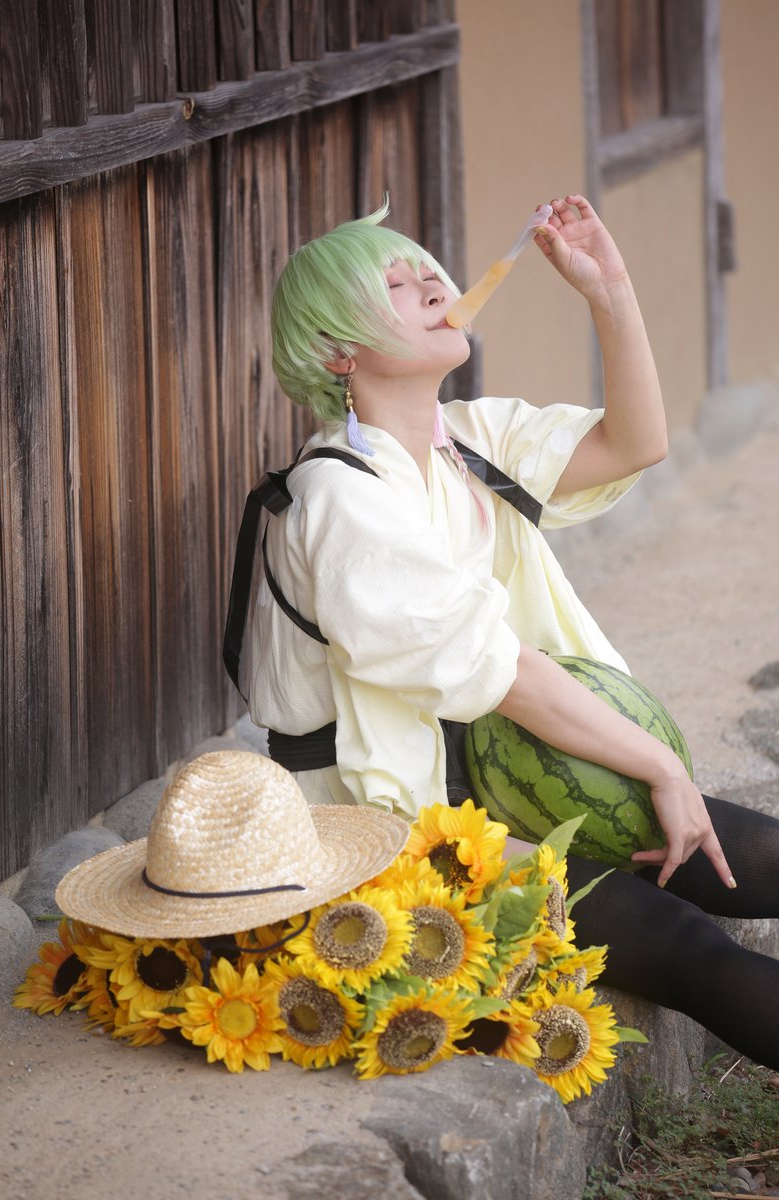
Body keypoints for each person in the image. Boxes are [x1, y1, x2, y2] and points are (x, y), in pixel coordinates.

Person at [239, 196, 779, 1069]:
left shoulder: (466, 441)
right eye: (396, 284)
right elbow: (503, 673)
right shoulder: (338, 497)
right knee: (686, 945)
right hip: (392, 825)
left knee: (762, 852)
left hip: (500, 771)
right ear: (339, 352)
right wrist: (662, 764)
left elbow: (633, 443)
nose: (431, 284)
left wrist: (609, 291)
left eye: (428, 271)